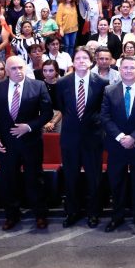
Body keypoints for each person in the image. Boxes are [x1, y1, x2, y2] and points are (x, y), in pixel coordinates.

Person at [0, 56, 53, 231]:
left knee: (35, 180)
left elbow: (47, 114)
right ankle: (11, 216)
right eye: (14, 69)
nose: (18, 71)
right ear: (7, 71)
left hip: (31, 142)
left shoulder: (38, 86)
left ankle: (40, 215)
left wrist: (30, 127)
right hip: (6, 144)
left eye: (20, 67)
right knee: (9, 181)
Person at [100, 56, 135, 233]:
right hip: (116, 146)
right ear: (119, 68)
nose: (128, 71)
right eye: (125, 68)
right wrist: (120, 137)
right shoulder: (109, 90)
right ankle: (117, 217)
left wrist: (133, 138)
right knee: (116, 183)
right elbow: (105, 117)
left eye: (132, 68)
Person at [55, 47, 108, 229]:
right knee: (71, 177)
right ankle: (72, 212)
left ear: (91, 61)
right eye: (78, 58)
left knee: (94, 178)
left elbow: (103, 110)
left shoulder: (101, 83)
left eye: (85, 58)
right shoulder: (62, 83)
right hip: (70, 138)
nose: (81, 61)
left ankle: (93, 213)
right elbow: (62, 107)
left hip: (93, 138)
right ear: (73, 62)